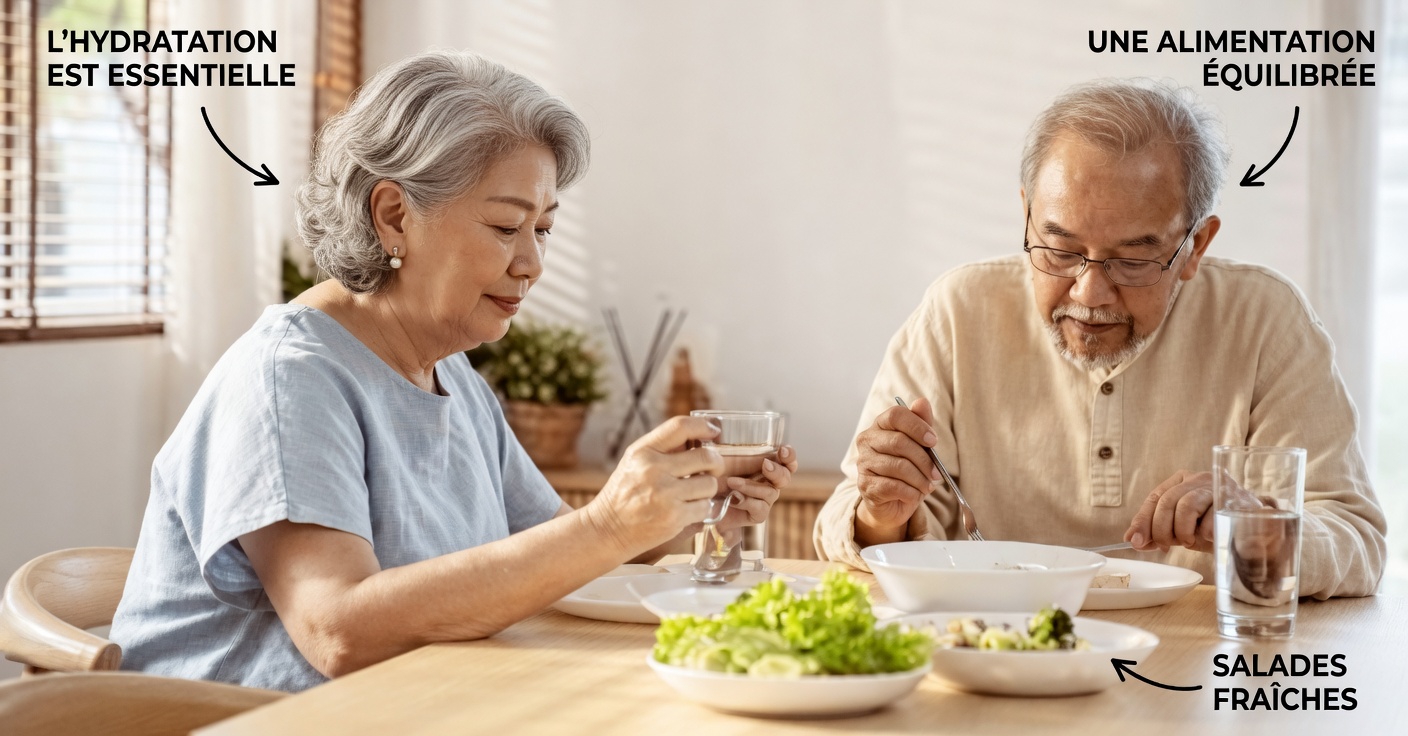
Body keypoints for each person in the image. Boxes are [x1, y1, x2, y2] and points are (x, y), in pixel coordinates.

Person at [110, 51, 797, 693]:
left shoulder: (450, 374)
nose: (531, 263)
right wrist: (608, 527)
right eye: (506, 227)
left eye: (545, 229)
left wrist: (684, 516)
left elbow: (552, 552)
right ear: (393, 216)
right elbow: (337, 631)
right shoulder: (289, 377)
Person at [813, 79, 1386, 598]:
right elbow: (849, 522)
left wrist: (1254, 527)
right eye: (1060, 249)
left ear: (1195, 247)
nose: (1089, 294)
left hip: (1198, 676)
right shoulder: (958, 312)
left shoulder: (1264, 319)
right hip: (993, 651)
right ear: (1027, 215)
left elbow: (1358, 542)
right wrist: (882, 513)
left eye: (1133, 261)